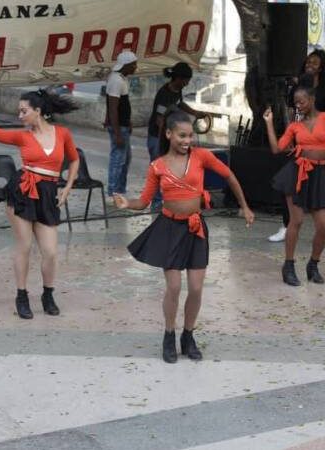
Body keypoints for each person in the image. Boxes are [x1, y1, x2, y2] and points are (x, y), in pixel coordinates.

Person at [114, 111, 254, 363]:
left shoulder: (201, 157)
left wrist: (244, 206)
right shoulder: (157, 166)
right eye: (182, 135)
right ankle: (169, 334)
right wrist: (127, 203)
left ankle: (188, 336)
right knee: (174, 287)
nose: (187, 140)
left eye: (190, 135)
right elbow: (144, 201)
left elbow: (229, 176)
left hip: (195, 228)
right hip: (169, 229)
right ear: (169, 134)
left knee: (197, 288)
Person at [0, 90, 81, 319]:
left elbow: (74, 159)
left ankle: (48, 294)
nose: (20, 115)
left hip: (48, 193)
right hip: (23, 190)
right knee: (24, 246)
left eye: (24, 111)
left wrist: (67, 186)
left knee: (51, 252)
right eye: (19, 111)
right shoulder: (22, 136)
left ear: (38, 111)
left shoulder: (62, 133)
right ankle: (22, 295)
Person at [264, 85, 325, 286]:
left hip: (319, 175)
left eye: (302, 101)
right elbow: (277, 148)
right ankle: (288, 265)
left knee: (322, 226)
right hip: (297, 174)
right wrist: (269, 123)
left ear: (312, 99)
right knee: (296, 221)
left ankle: (313, 264)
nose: (299, 106)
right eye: (295, 103)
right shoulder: (295, 126)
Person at [270, 49, 325, 243]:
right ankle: (287, 225)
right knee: (291, 187)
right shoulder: (297, 89)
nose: (310, 65)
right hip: (299, 148)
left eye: (315, 63)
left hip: (318, 152)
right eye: (308, 61)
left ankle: (320, 230)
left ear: (322, 67)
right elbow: (293, 117)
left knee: (316, 191)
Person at [147, 62, 208, 210]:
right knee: (158, 170)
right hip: (157, 137)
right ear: (179, 78)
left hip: (167, 136)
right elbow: (159, 119)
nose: (187, 84)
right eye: (186, 80)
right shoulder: (164, 94)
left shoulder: (177, 91)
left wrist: (195, 113)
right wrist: (167, 139)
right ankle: (156, 203)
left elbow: (180, 104)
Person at [105, 50, 138, 197]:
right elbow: (113, 107)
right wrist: (117, 133)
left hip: (123, 125)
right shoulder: (116, 80)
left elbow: (121, 105)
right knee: (117, 160)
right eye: (133, 64)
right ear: (126, 65)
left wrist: (128, 121)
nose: (135, 67)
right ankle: (112, 193)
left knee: (125, 159)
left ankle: (119, 189)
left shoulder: (121, 79)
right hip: (119, 128)